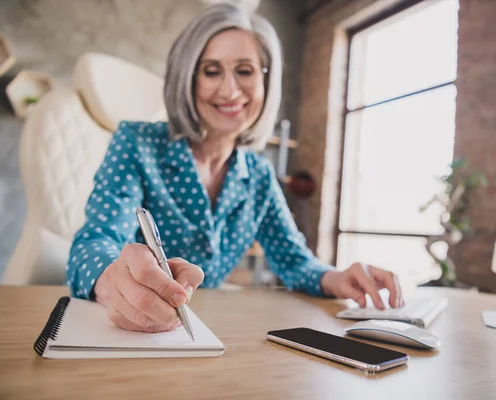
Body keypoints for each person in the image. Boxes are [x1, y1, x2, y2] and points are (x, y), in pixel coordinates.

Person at [67, 3, 404, 333]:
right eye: (211, 71)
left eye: (244, 71)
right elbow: (94, 243)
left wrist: (337, 277)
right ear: (189, 78)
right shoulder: (136, 143)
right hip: (131, 334)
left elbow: (294, 261)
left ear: (264, 81)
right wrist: (110, 281)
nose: (230, 90)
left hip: (203, 336)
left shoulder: (258, 175)